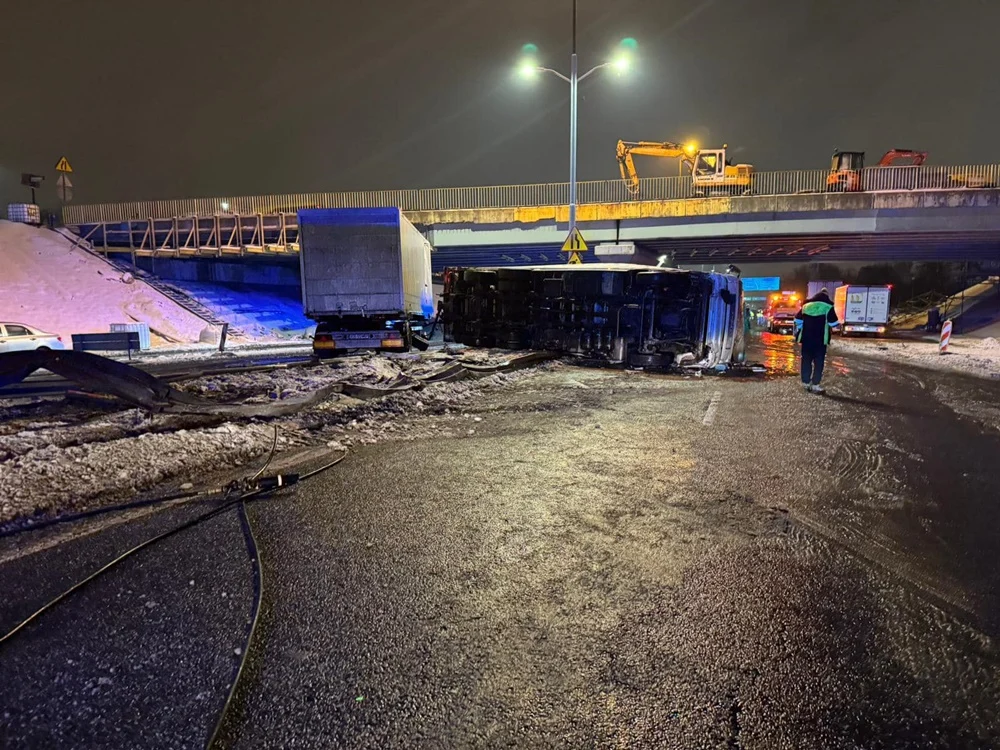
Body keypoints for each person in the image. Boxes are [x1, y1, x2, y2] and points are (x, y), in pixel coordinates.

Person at [794, 287, 839, 393]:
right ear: (826, 296)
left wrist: (802, 328)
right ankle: (815, 384)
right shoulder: (828, 306)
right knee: (819, 363)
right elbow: (833, 323)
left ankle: (805, 382)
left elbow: (797, 319)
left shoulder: (806, 306)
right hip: (820, 339)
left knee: (806, 360)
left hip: (806, 338)